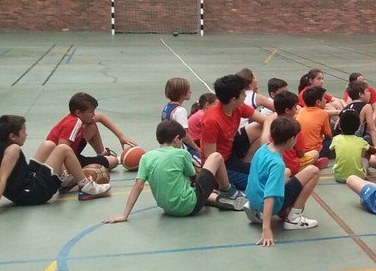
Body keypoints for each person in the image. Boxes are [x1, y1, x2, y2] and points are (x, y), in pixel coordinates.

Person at [102, 121, 246, 223]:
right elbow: (194, 178)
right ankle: (228, 191)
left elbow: (138, 186)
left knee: (198, 191)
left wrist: (124, 214)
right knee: (215, 157)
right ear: (177, 139)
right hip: (190, 206)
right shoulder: (182, 154)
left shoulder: (146, 157)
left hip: (168, 209)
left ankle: (218, 200)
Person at [0, 115, 110, 219]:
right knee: (63, 149)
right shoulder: (13, 149)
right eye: (23, 131)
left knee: (48, 145)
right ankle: (87, 188)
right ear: (13, 136)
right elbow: (1, 178)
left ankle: (64, 180)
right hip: (33, 193)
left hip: (24, 188)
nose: (26, 134)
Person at [244, 117, 320, 247]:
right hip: (267, 203)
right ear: (291, 139)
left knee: (287, 171)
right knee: (313, 171)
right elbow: (270, 196)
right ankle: (294, 219)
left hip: (253, 198)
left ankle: (257, 209)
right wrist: (266, 229)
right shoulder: (277, 164)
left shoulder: (263, 148)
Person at [34, 92, 136, 171]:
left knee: (92, 126)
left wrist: (121, 136)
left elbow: (101, 117)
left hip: (70, 153)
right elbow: (61, 150)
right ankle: (74, 172)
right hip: (61, 161)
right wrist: (67, 174)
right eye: (91, 112)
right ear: (78, 112)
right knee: (113, 161)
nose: (93, 114)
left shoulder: (76, 118)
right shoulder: (73, 123)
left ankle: (102, 153)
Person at [201, 74, 267, 190]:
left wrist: (266, 138)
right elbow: (210, 157)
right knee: (260, 182)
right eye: (243, 94)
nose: (245, 95)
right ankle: (222, 184)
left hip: (231, 150)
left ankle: (246, 163)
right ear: (233, 99)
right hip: (221, 164)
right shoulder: (212, 120)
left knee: (261, 127)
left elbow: (265, 120)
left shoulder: (238, 107)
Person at [263, 90, 324, 188]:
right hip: (291, 165)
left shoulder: (273, 124)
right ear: (287, 110)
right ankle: (306, 168)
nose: (297, 109)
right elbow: (300, 153)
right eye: (295, 107)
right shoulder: (293, 126)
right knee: (315, 153)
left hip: (274, 163)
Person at [331, 108, 376, 183]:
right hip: (359, 177)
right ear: (357, 127)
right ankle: (363, 169)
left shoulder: (336, 139)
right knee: (366, 153)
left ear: (340, 126)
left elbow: (333, 151)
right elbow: (374, 151)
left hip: (338, 177)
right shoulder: (361, 141)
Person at [161, 77, 201, 162]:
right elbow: (184, 135)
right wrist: (197, 148)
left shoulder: (167, 107)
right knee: (205, 163)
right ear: (182, 93)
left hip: (167, 145)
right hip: (180, 148)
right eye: (188, 89)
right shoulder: (180, 110)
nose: (190, 91)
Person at [296, 87, 332, 169]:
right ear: (318, 102)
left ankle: (311, 161)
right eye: (324, 98)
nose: (326, 100)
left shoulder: (301, 110)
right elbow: (328, 135)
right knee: (332, 141)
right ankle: (315, 161)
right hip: (316, 150)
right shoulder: (323, 114)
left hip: (300, 151)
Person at [342, 81, 376, 149]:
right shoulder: (367, 107)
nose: (370, 93)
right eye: (367, 91)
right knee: (370, 139)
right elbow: (373, 129)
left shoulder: (345, 108)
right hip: (356, 141)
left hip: (343, 141)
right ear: (361, 94)